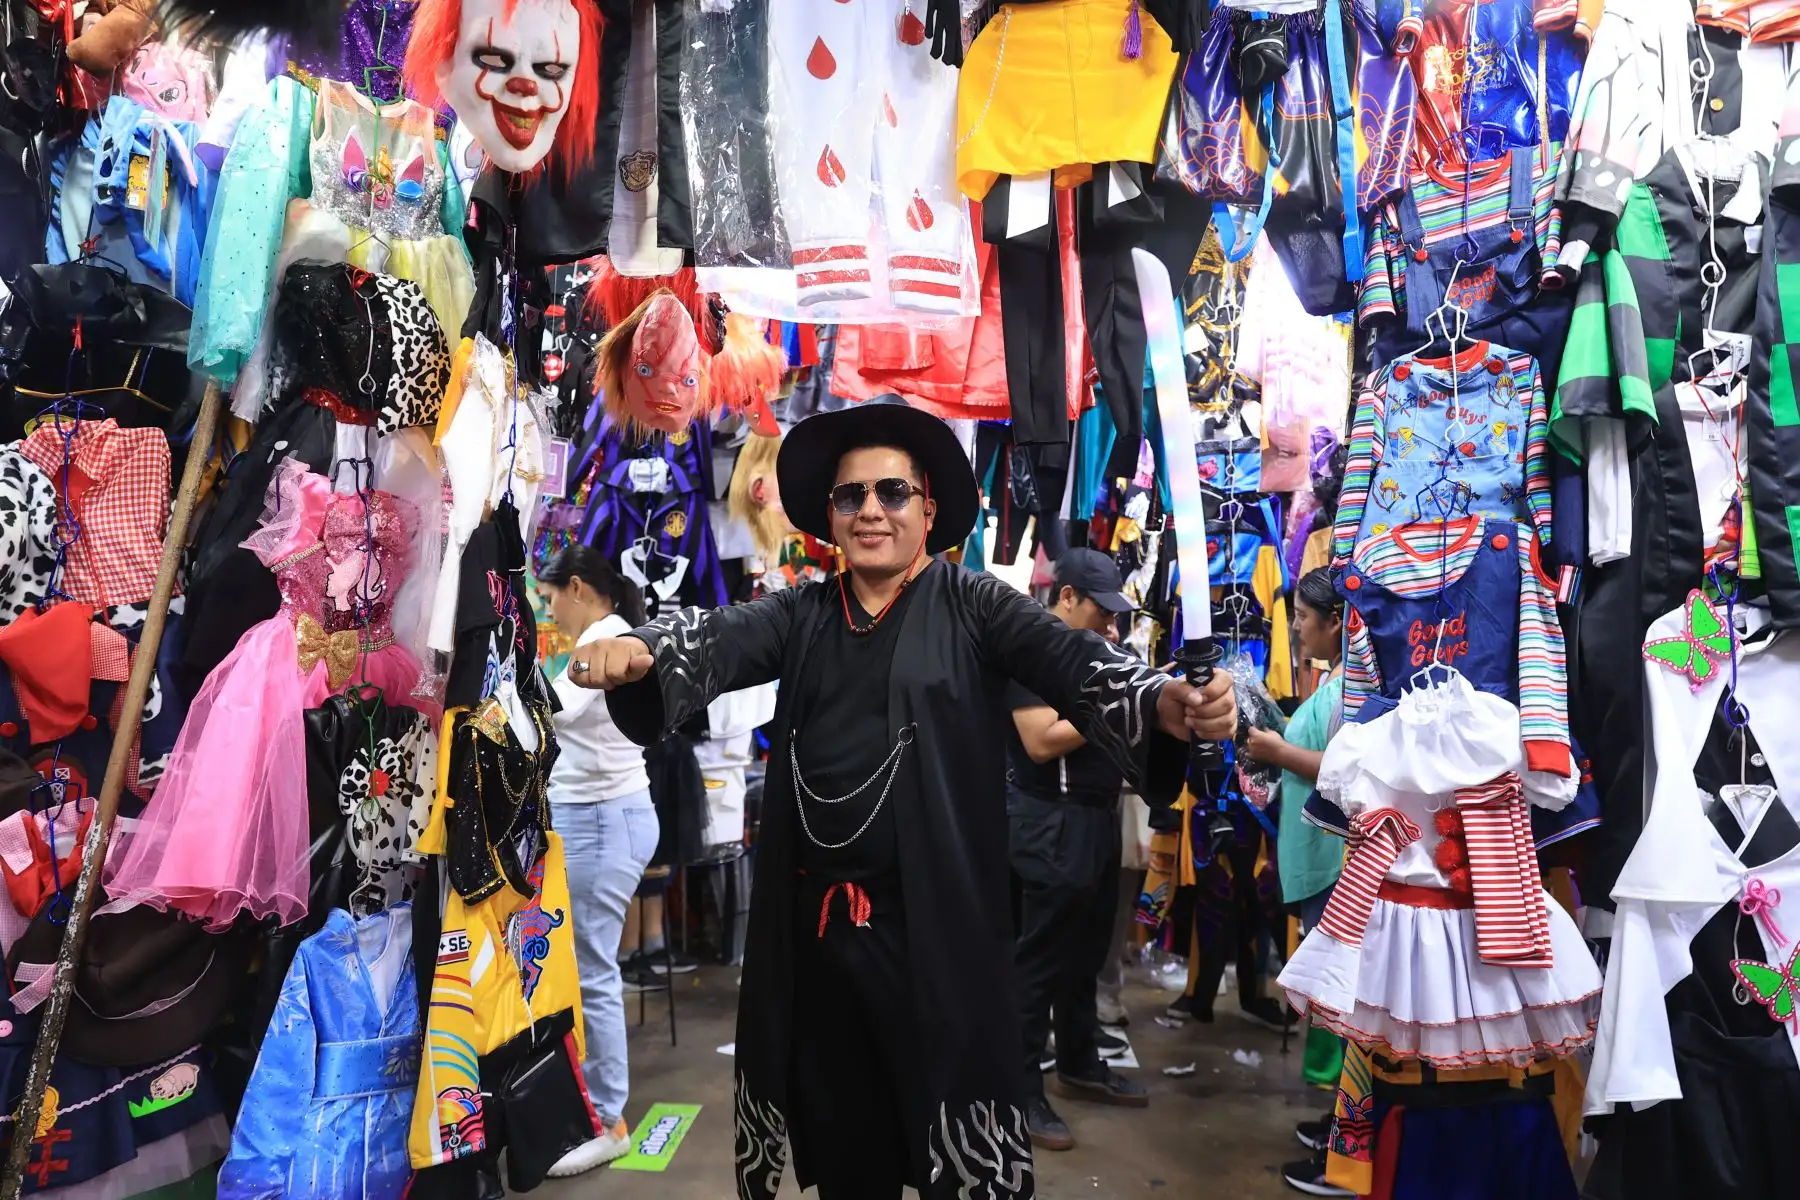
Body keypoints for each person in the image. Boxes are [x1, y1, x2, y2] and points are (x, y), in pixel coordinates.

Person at [568, 400, 1237, 1200]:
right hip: (822, 949)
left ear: (927, 506)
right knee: (852, 1162)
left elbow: (1074, 666)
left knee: (959, 1156)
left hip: (942, 942)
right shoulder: (803, 611)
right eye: (852, 498)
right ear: (830, 517)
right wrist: (637, 650)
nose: (871, 511)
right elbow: (714, 641)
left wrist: (1164, 702)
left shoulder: (976, 605)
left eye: (891, 492)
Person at [1006, 549, 1147, 1152]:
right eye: (1100, 613)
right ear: (1065, 598)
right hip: (1048, 823)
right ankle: (1016, 1094)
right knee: (1038, 964)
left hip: (1092, 819)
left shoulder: (1096, 655)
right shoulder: (1028, 654)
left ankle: (1079, 1064)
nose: (1110, 626)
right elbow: (1039, 742)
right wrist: (1116, 702)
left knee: (1085, 953)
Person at [535, 547, 662, 1177]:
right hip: (603, 819)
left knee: (593, 973)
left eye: (551, 596)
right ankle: (592, 1105)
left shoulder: (603, 640)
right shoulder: (604, 637)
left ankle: (610, 1120)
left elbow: (551, 712)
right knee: (587, 969)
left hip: (604, 822)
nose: (549, 609)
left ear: (577, 587)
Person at [1244, 567, 1351, 1199]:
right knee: (1330, 1004)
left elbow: (1345, 770)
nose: (1299, 628)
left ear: (1336, 621)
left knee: (1341, 1008)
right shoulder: (1334, 680)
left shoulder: (1355, 687)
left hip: (1337, 864)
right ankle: (1341, 1125)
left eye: (1306, 619)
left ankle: (1349, 1149)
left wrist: (1277, 751)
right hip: (1317, 860)